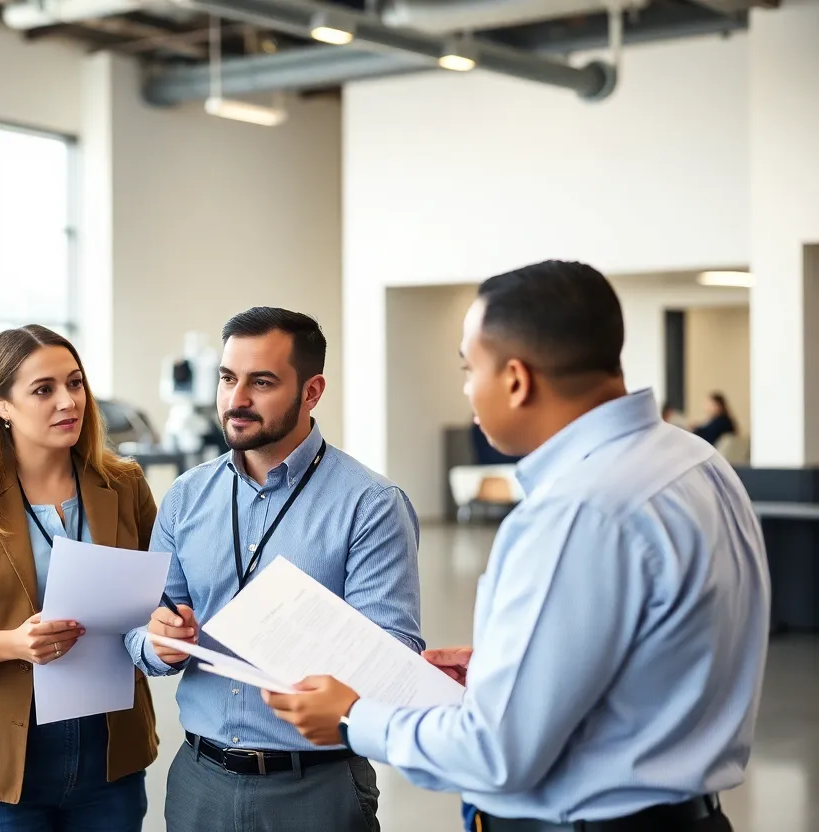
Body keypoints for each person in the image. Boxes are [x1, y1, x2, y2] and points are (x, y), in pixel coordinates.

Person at [264, 261, 768, 832]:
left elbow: (496, 754)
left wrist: (353, 718)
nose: (466, 389)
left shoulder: (576, 510)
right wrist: (509, 671)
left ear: (516, 379)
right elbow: (660, 652)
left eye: (468, 368)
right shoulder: (696, 462)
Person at [125, 307, 423, 832]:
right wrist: (158, 643)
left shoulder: (371, 504)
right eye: (227, 378)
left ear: (312, 392)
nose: (236, 400)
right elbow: (139, 628)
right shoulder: (186, 497)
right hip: (200, 780)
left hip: (318, 784)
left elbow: (395, 655)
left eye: (260, 382)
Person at [0, 325, 160, 832]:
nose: (69, 401)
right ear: (1, 405)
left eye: (76, 383)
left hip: (108, 752)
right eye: (44, 390)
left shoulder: (123, 484)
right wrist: (13, 643)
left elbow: (162, 594)